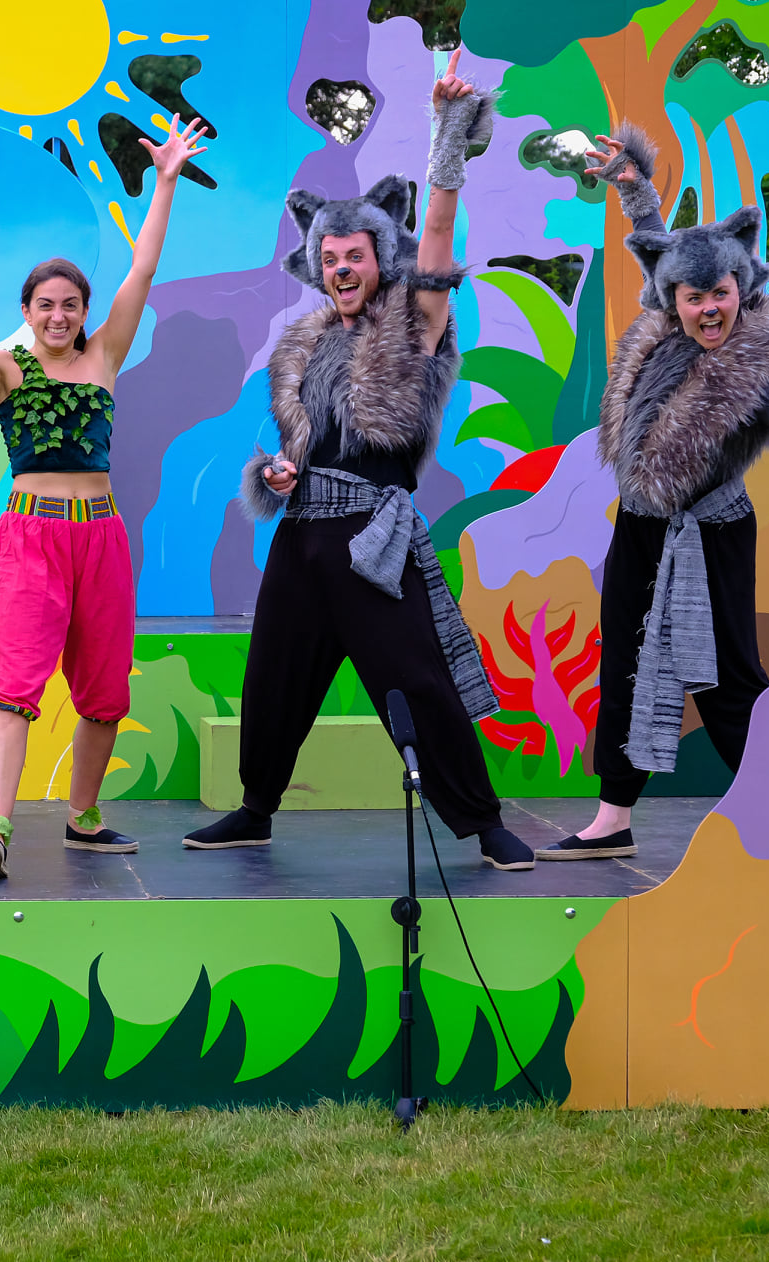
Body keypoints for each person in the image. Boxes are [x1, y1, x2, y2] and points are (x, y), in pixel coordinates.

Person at [182, 52, 537, 871]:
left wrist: (447, 134)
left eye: (356, 256)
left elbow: (437, 240)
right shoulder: (304, 346)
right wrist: (278, 474)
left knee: (415, 679)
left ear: (380, 258)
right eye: (331, 258)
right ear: (319, 265)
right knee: (273, 676)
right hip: (302, 534)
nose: (342, 268)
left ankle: (482, 822)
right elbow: (307, 445)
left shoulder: (413, 324)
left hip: (372, 540)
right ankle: (256, 809)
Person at [0, 117, 210, 879]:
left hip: (101, 538)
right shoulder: (7, 368)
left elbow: (142, 270)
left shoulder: (103, 357)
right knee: (13, 688)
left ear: (84, 311)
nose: (58, 316)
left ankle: (83, 819)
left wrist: (165, 181)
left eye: (70, 305)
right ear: (25, 311)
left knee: (104, 693)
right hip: (32, 538)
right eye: (45, 305)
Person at [540, 126, 769, 860]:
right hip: (641, 526)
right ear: (676, 300)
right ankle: (612, 820)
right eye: (694, 298)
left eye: (720, 293)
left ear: (741, 288)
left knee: (726, 681)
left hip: (710, 534)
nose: (708, 309)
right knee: (626, 663)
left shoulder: (764, 361)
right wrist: (633, 186)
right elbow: (664, 245)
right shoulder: (662, 328)